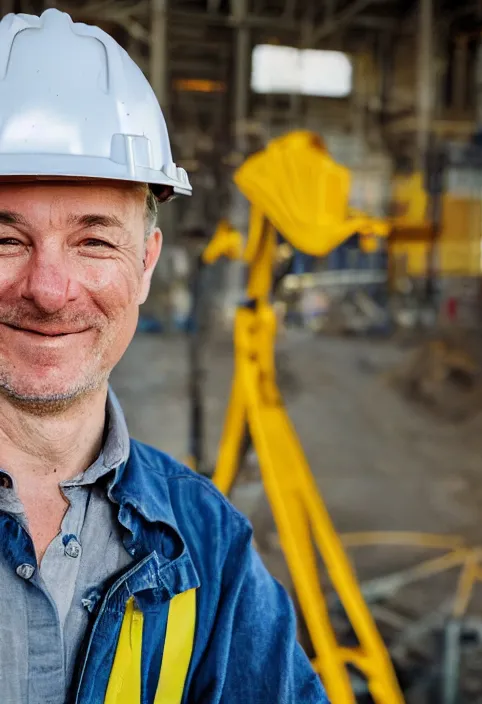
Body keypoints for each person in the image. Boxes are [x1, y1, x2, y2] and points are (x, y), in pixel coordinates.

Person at [0, 8, 328, 703]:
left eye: (95, 241)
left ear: (146, 263)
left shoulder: (208, 546)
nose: (51, 292)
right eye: (5, 241)